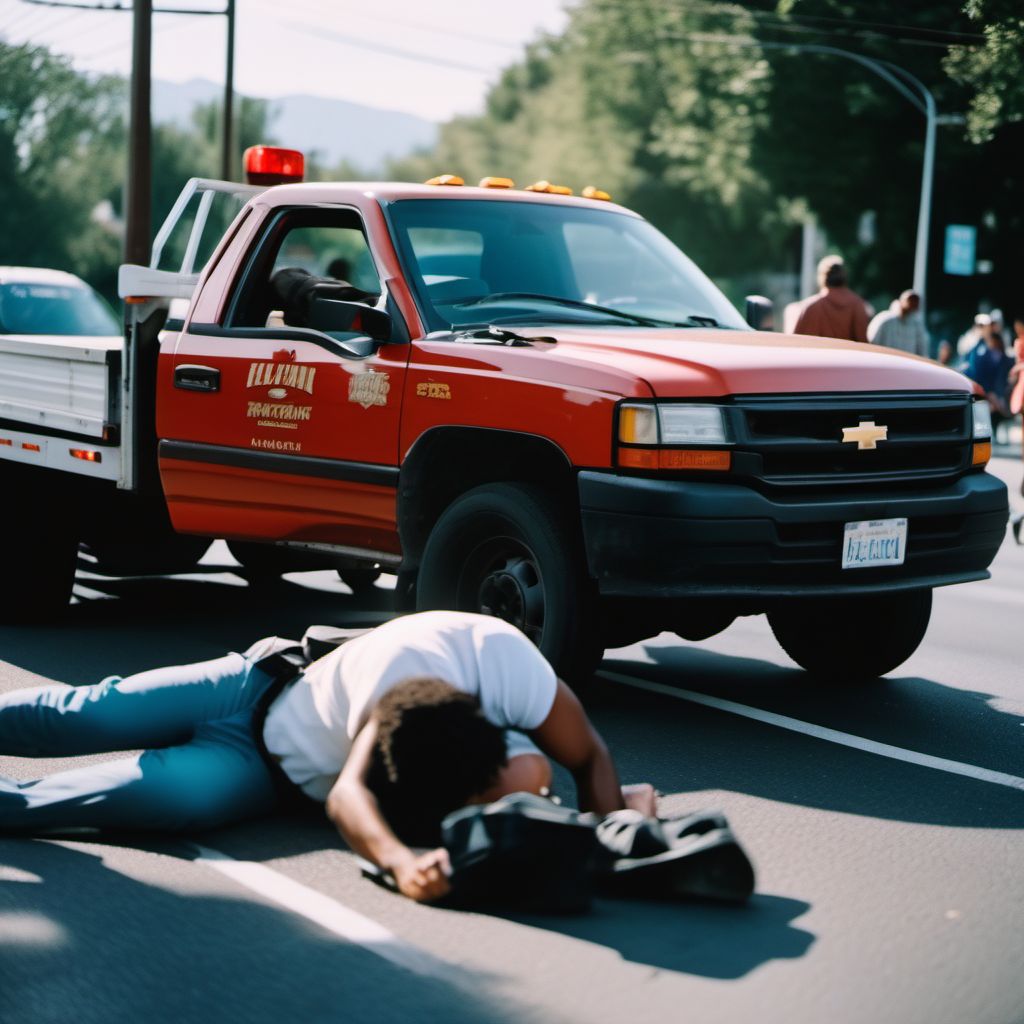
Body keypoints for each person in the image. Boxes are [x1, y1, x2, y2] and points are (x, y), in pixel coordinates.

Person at [0, 611, 655, 903]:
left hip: (261, 773)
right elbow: (348, 795)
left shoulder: (516, 671)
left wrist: (605, 834)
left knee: (153, 798)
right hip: (252, 684)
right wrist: (400, 861)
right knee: (89, 713)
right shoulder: (402, 692)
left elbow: (591, 754)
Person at [791, 255, 870, 342]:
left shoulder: (811, 306)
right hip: (847, 355)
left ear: (822, 277)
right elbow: (864, 344)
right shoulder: (858, 304)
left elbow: (797, 344)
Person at [867, 290, 929, 356]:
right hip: (885, 362)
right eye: (910, 299)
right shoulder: (884, 319)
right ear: (902, 300)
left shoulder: (917, 326)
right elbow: (872, 342)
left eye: (915, 301)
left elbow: (922, 349)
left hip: (907, 364)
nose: (913, 303)